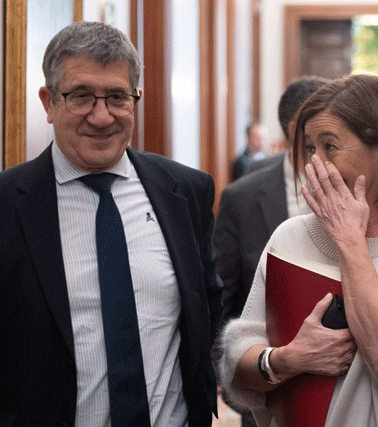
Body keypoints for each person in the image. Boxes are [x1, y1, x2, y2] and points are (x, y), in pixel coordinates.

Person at [0, 21, 221, 427]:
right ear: (48, 103)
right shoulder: (7, 205)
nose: (102, 117)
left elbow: (209, 311)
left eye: (117, 97)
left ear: (136, 99)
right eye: (81, 96)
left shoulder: (186, 192)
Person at [218, 74, 378, 426]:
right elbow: (237, 361)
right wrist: (287, 360)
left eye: (330, 146)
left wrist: (350, 239)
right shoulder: (290, 236)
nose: (315, 164)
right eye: (309, 148)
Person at [213, 76, 328, 427]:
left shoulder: (361, 186)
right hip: (265, 386)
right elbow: (222, 297)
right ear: (298, 131)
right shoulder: (242, 198)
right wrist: (229, 376)